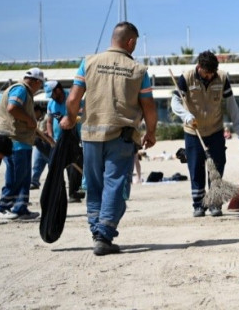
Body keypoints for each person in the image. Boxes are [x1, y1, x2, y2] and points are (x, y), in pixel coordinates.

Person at [59, 21, 157, 256]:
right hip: (121, 137)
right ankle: (104, 234)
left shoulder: (89, 62)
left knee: (94, 184)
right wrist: (151, 133)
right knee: (115, 184)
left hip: (91, 135)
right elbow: (149, 106)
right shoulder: (138, 70)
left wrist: (71, 119)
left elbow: (73, 99)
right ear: (131, 42)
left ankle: (96, 231)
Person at [171, 51, 239, 217]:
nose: (210, 76)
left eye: (212, 73)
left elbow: (231, 104)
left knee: (217, 166)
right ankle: (199, 204)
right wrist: (186, 115)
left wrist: (238, 126)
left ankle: (214, 202)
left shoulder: (222, 77)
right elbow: (174, 102)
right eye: (207, 73)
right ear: (199, 67)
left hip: (215, 130)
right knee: (195, 166)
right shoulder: (186, 77)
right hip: (193, 130)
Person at [0, 67, 46, 221]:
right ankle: (3, 207)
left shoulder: (24, 92)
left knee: (24, 176)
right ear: (36, 81)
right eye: (41, 84)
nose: (40, 87)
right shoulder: (21, 90)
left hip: (22, 140)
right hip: (15, 140)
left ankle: (21, 209)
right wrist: (30, 120)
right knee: (16, 176)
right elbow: (12, 108)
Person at [43, 80, 85, 201]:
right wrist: (50, 135)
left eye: (52, 94)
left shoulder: (73, 98)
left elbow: (81, 116)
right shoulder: (51, 104)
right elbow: (49, 121)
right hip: (57, 140)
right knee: (56, 166)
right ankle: (57, 194)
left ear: (58, 90)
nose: (51, 97)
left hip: (75, 137)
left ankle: (75, 193)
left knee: (75, 166)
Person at [30, 105, 50, 190]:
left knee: (51, 164)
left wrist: (44, 133)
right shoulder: (34, 119)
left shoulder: (46, 117)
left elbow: (49, 129)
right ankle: (34, 182)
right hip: (38, 144)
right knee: (37, 164)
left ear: (37, 111)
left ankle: (52, 183)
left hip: (47, 144)